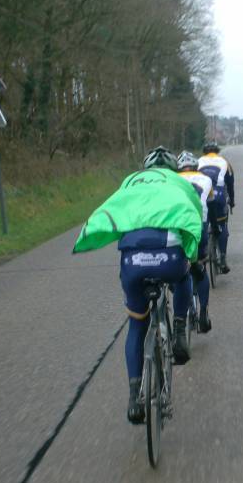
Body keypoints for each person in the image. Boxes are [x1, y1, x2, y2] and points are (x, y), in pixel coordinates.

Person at [73, 146, 202, 424]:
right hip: (169, 256)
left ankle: (134, 398)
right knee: (184, 276)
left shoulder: (130, 181)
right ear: (172, 169)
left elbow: (116, 209)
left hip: (133, 260)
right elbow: (195, 214)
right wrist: (196, 254)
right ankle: (179, 330)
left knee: (137, 324)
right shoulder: (179, 182)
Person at [176, 151, 213, 333]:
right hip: (199, 227)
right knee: (199, 269)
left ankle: (184, 312)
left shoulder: (172, 180)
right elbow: (211, 200)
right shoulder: (205, 178)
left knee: (178, 272)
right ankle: (203, 311)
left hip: (178, 229)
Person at [198, 142, 235, 273]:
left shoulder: (198, 161)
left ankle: (200, 254)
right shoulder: (224, 161)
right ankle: (223, 258)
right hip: (218, 196)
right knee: (222, 225)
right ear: (217, 151)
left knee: (202, 222)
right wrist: (232, 200)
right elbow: (230, 183)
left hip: (201, 195)